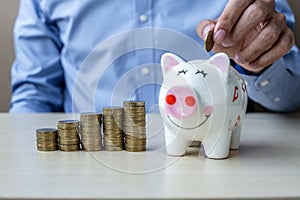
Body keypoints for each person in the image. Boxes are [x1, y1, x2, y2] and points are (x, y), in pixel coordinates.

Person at [10, 0, 300, 113]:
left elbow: (292, 98)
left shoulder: (253, 5)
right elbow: (33, 97)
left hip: (220, 166)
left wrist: (257, 63)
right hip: (90, 167)